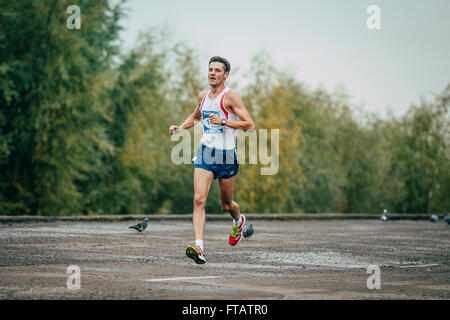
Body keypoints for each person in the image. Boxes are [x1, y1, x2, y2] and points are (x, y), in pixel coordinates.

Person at [169, 56, 255, 264]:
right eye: (210, 69)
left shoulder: (231, 97)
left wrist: (225, 121)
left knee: (226, 205)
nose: (212, 73)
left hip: (226, 155)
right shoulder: (203, 96)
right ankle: (198, 246)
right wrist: (180, 127)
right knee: (199, 199)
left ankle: (238, 220)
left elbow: (249, 124)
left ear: (226, 75)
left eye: (217, 70)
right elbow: (196, 116)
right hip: (206, 153)